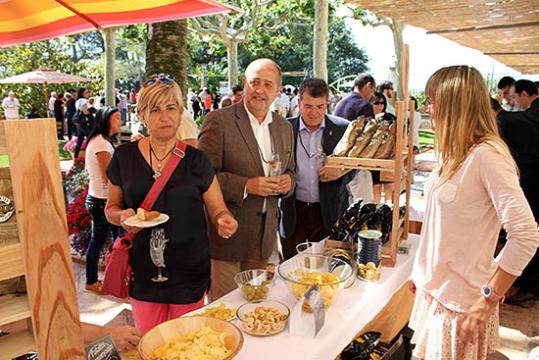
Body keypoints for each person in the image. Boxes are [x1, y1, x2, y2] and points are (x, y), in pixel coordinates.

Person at [409, 65, 539, 360]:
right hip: (437, 293)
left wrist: (488, 299)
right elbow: (439, 224)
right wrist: (422, 270)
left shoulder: (487, 155)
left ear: (455, 103)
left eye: (433, 100)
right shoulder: (457, 151)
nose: (428, 109)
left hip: (461, 302)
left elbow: (526, 235)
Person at [105, 74, 238, 332]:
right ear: (142, 115)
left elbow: (217, 208)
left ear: (180, 113)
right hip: (143, 271)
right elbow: (110, 208)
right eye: (155, 109)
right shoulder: (124, 157)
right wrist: (121, 216)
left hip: (190, 270)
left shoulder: (197, 160)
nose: (164, 117)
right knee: (150, 343)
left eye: (171, 107)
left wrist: (224, 220)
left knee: (188, 344)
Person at [198, 58, 295, 301]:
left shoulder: (284, 127)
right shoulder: (219, 120)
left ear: (278, 90)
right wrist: (246, 186)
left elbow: (291, 171)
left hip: (264, 238)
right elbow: (201, 176)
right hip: (228, 235)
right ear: (245, 84)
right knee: (225, 310)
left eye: (268, 85)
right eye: (255, 83)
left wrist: (287, 184)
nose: (260, 90)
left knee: (254, 306)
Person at [279, 78, 352, 259]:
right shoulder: (284, 128)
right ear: (299, 103)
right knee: (291, 268)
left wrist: (340, 172)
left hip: (328, 212)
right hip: (293, 213)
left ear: (327, 103)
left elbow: (355, 164)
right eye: (308, 106)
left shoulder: (342, 128)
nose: (314, 113)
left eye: (320, 107)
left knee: (326, 268)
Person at [496, 79, 539, 306]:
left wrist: (498, 115)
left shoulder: (529, 116)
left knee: (529, 230)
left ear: (525, 94)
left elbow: (526, 236)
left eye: (514, 97)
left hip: (534, 183)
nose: (514, 102)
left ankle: (530, 286)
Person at [83, 106, 123, 294]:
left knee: (117, 241)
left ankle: (116, 277)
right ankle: (91, 281)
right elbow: (109, 176)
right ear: (107, 120)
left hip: (101, 199)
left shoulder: (102, 141)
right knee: (98, 241)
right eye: (117, 118)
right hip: (101, 201)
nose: (120, 121)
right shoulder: (100, 144)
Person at [370, 92, 396, 203]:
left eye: (382, 103)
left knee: (389, 188)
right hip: (373, 157)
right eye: (376, 103)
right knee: (376, 188)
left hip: (387, 156)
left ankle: (388, 214)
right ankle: (376, 212)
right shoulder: (367, 118)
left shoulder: (390, 117)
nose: (380, 106)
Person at [74, 87, 94, 159]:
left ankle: (76, 157)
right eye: (86, 92)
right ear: (82, 93)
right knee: (90, 139)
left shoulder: (78, 101)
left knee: (80, 141)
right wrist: (92, 111)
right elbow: (85, 112)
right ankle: (89, 157)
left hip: (80, 123)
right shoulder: (83, 100)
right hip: (85, 123)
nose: (88, 94)